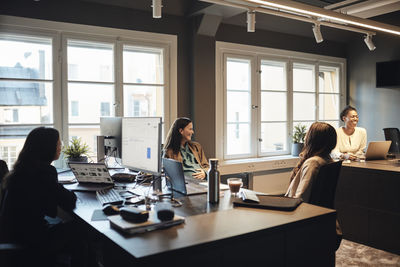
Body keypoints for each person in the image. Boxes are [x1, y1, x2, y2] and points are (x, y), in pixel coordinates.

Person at [0, 127, 87, 267]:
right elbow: (69, 201)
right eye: (58, 144)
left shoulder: (21, 169)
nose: (60, 147)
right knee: (82, 228)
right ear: (48, 148)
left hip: (12, 234)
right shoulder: (43, 172)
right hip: (31, 241)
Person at [285, 122, 337, 202]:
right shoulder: (328, 160)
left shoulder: (313, 163)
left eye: (307, 134)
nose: (305, 137)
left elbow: (302, 196)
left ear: (312, 139)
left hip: (297, 209)